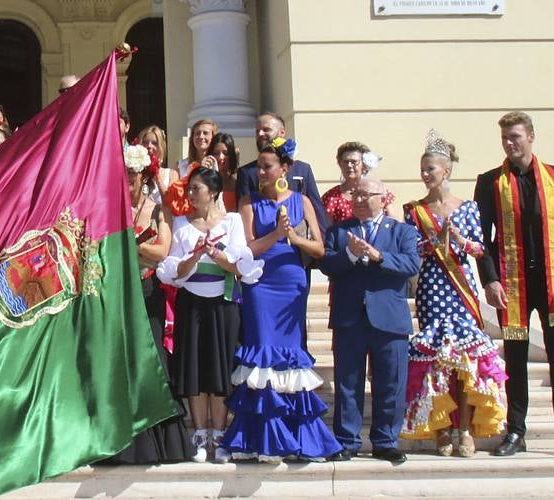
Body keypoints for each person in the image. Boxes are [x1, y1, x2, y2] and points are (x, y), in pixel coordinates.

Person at [475, 111, 554, 461]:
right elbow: (483, 238)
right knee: (516, 360)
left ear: (531, 137)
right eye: (506, 138)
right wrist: (490, 278)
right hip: (513, 286)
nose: (510, 143)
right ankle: (516, 430)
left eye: (516, 137)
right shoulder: (491, 182)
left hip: (553, 285)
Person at [223, 140, 340, 462]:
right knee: (261, 353)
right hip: (260, 283)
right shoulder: (248, 202)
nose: (260, 172)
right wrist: (276, 234)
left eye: (267, 166)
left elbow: (319, 249)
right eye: (258, 166)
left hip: (291, 282)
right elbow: (247, 248)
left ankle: (298, 436)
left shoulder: (302, 200)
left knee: (290, 356)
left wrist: (294, 236)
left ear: (284, 169)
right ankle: (261, 438)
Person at [402, 131, 508, 457]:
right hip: (432, 288)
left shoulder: (468, 208)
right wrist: (435, 241)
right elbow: (413, 251)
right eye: (422, 169)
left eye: (430, 169)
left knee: (464, 362)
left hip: (461, 289)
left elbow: (480, 249)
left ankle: (465, 427)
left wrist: (459, 240)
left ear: (445, 171)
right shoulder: (415, 210)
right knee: (438, 362)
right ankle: (442, 428)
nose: (425, 175)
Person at [320, 176, 421, 465]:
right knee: (348, 382)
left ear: (383, 197)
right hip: (350, 317)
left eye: (366, 195)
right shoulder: (340, 232)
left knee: (391, 382)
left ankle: (386, 441)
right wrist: (350, 255)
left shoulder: (402, 232)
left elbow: (412, 264)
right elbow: (327, 264)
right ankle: (347, 440)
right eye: (356, 195)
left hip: (389, 319)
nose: (360, 200)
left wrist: (379, 257)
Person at [157, 164, 254, 463]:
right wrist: (196, 254)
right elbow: (173, 271)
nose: (190, 194)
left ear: (213, 192)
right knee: (196, 369)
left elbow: (240, 265)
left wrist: (215, 253)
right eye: (189, 189)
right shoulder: (182, 225)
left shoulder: (234, 222)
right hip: (192, 304)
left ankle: (220, 434)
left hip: (223, 304)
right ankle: (200, 434)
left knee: (221, 369)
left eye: (196, 189)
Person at [107, 146, 192, 464]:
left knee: (152, 360)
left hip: (148, 290)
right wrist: (139, 245)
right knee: (122, 361)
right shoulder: (111, 207)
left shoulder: (157, 208)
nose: (127, 179)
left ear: (142, 176)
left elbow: (163, 251)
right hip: (118, 291)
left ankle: (161, 443)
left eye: (131, 174)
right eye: (123, 173)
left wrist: (132, 244)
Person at [236, 112, 327, 235]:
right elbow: (243, 218)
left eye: (266, 130)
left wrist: (323, 246)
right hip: (263, 242)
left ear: (282, 132)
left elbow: (317, 211)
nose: (260, 134)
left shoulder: (302, 169)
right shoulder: (247, 172)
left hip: (300, 245)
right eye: (257, 131)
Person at [322, 141, 399, 224]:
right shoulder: (331, 197)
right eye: (346, 162)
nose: (349, 165)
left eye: (354, 162)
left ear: (364, 164)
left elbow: (393, 221)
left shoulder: (377, 191)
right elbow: (326, 229)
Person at [135, 124, 178, 201]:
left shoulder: (172, 174)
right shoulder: (134, 173)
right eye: (145, 142)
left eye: (154, 143)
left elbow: (170, 202)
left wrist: (156, 174)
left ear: (161, 147)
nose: (149, 146)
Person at [210, 132, 240, 211]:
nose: (220, 157)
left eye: (225, 153)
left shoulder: (238, 185)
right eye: (216, 153)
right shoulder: (206, 184)